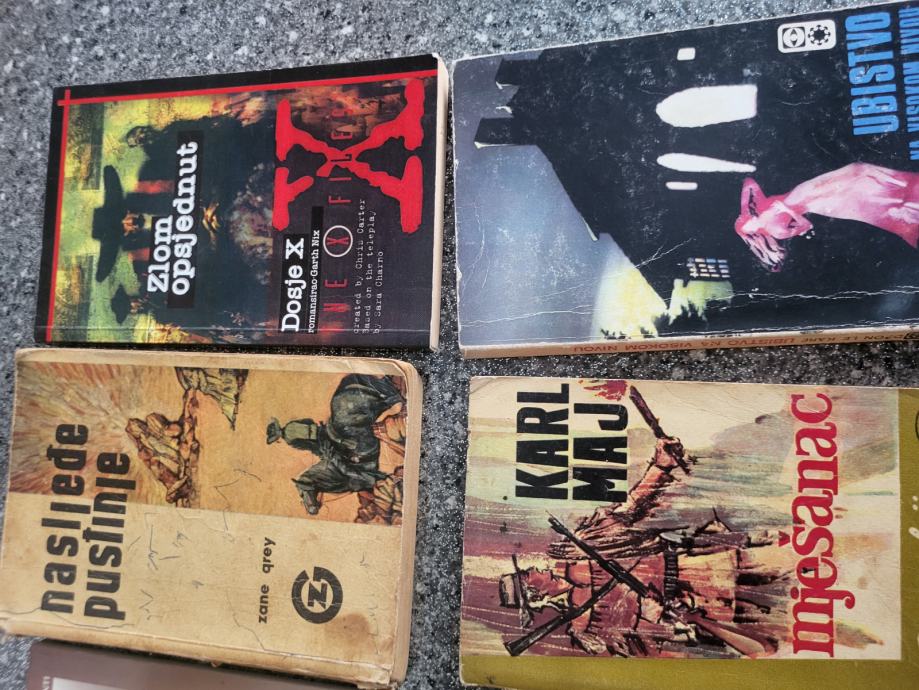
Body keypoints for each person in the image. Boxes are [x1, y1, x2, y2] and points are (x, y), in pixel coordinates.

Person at [266, 374, 405, 515]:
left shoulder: (331, 427)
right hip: (357, 457)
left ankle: (385, 393)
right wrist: (332, 457)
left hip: (349, 445)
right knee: (342, 416)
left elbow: (323, 438)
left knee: (340, 409)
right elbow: (344, 469)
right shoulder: (332, 463)